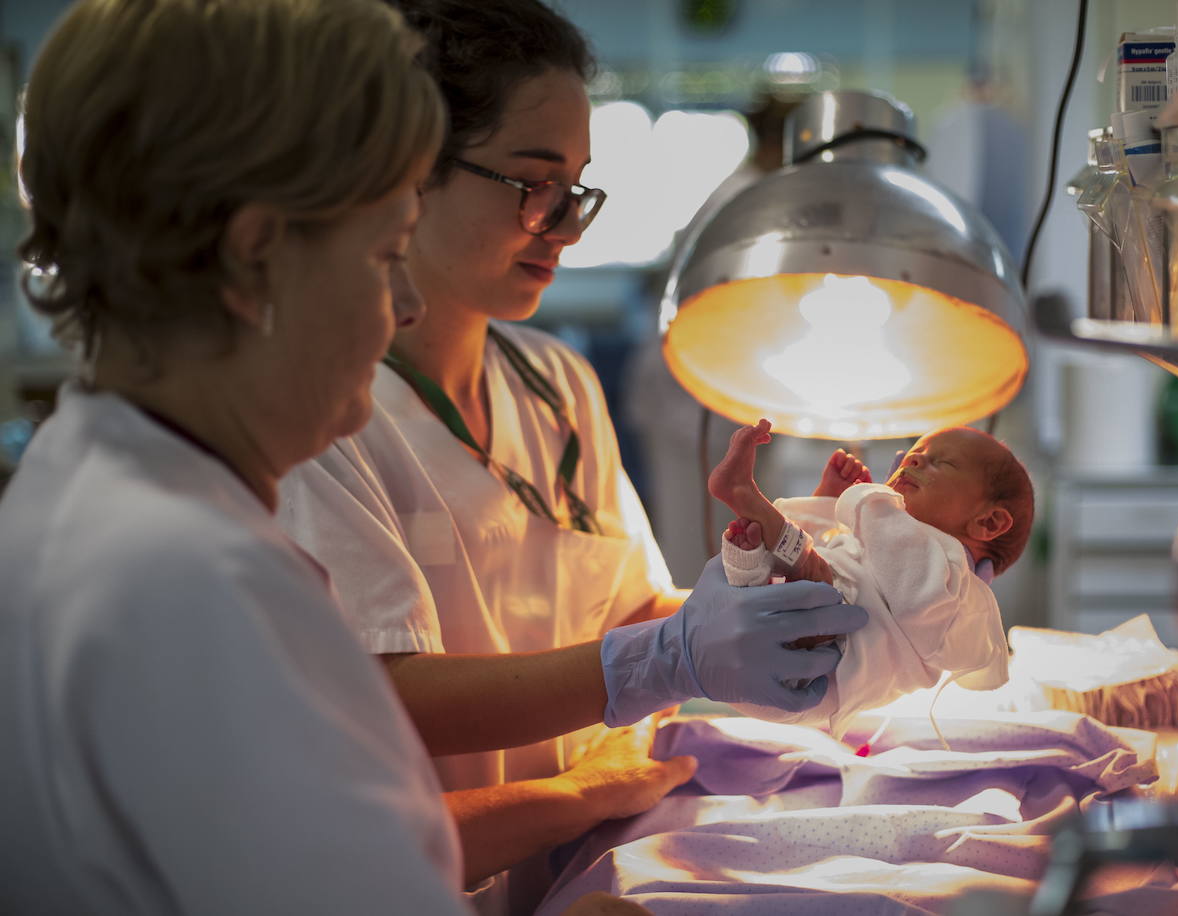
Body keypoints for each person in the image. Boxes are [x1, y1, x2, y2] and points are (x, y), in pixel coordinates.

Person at [0, 1, 865, 913]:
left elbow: (339, 852)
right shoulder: (189, 581)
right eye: (383, 254)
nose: (405, 308)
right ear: (257, 257)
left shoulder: (112, 506)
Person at [271, 2, 866, 910]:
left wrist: (795, 594)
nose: (566, 226)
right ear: (404, 172)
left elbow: (633, 609)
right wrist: (666, 661)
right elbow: (382, 692)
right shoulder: (321, 421)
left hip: (569, 868)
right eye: (533, 184)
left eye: (577, 189)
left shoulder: (555, 383)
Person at [708, 418, 1035, 734]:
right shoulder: (889, 543)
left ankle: (747, 500)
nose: (913, 461)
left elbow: (910, 601)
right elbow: (825, 553)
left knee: (817, 584)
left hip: (807, 676)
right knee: (788, 568)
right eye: (912, 455)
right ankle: (746, 564)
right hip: (746, 654)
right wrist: (828, 500)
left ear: (988, 522)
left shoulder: (956, 588)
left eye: (942, 463)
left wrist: (873, 504)